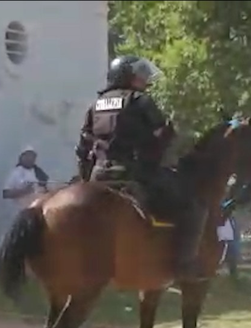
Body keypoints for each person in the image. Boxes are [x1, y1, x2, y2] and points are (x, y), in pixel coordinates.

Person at [75, 55, 206, 281]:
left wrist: (85, 179)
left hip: (98, 176)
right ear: (127, 77)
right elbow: (163, 136)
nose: (144, 80)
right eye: (140, 75)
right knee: (193, 207)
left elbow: (82, 147)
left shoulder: (95, 105)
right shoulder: (140, 100)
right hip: (135, 174)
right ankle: (184, 264)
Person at [2, 146, 49, 216]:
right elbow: (6, 193)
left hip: (39, 210)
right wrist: (24, 191)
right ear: (22, 157)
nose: (30, 158)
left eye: (32, 156)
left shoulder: (39, 173)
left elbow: (47, 187)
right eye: (28, 156)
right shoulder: (16, 173)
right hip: (22, 213)